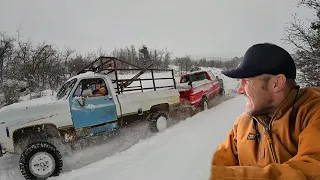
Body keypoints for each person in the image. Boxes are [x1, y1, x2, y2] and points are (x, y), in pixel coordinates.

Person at [210, 43, 320, 180]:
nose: (240, 90)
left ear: (277, 83)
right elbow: (216, 164)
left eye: (247, 81)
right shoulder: (242, 125)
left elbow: (311, 170)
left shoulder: (313, 113)